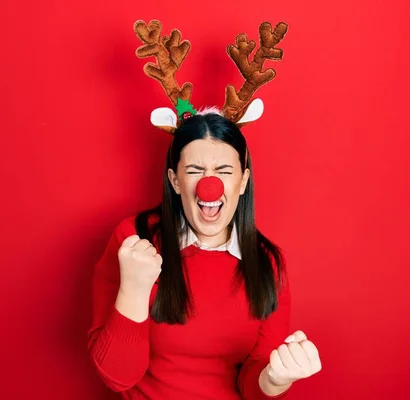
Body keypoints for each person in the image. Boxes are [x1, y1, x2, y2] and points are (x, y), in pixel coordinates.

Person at [87, 20, 322, 400]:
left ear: (242, 182)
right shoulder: (134, 240)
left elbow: (253, 382)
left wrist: (275, 379)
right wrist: (133, 286)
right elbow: (117, 377)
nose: (208, 185)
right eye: (194, 170)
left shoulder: (267, 263)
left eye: (224, 171)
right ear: (175, 180)